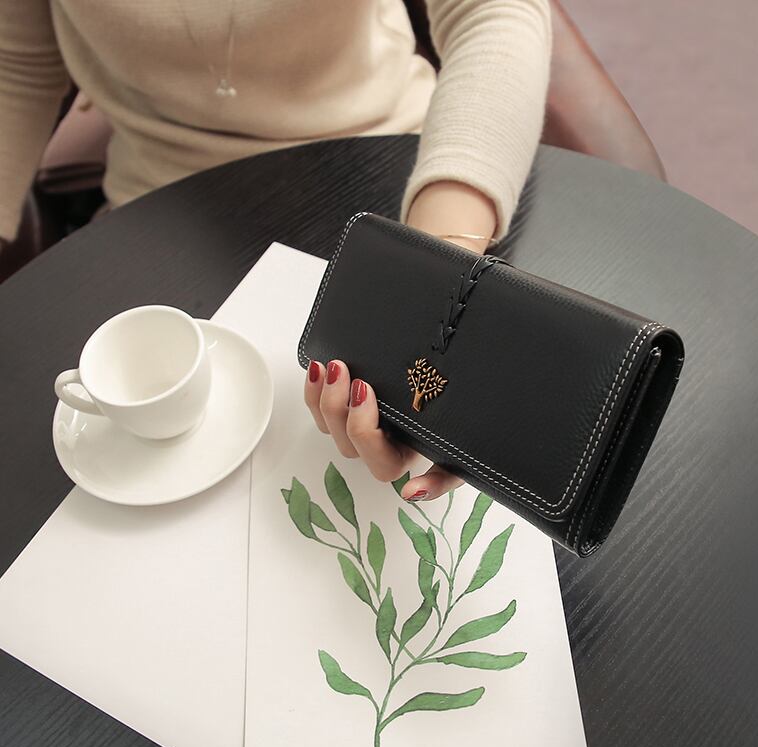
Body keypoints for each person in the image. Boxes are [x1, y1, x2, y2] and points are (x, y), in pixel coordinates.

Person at [0, 0, 552, 497]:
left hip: (392, 180)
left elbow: (493, 10)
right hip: (157, 211)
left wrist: (439, 269)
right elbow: (16, 66)